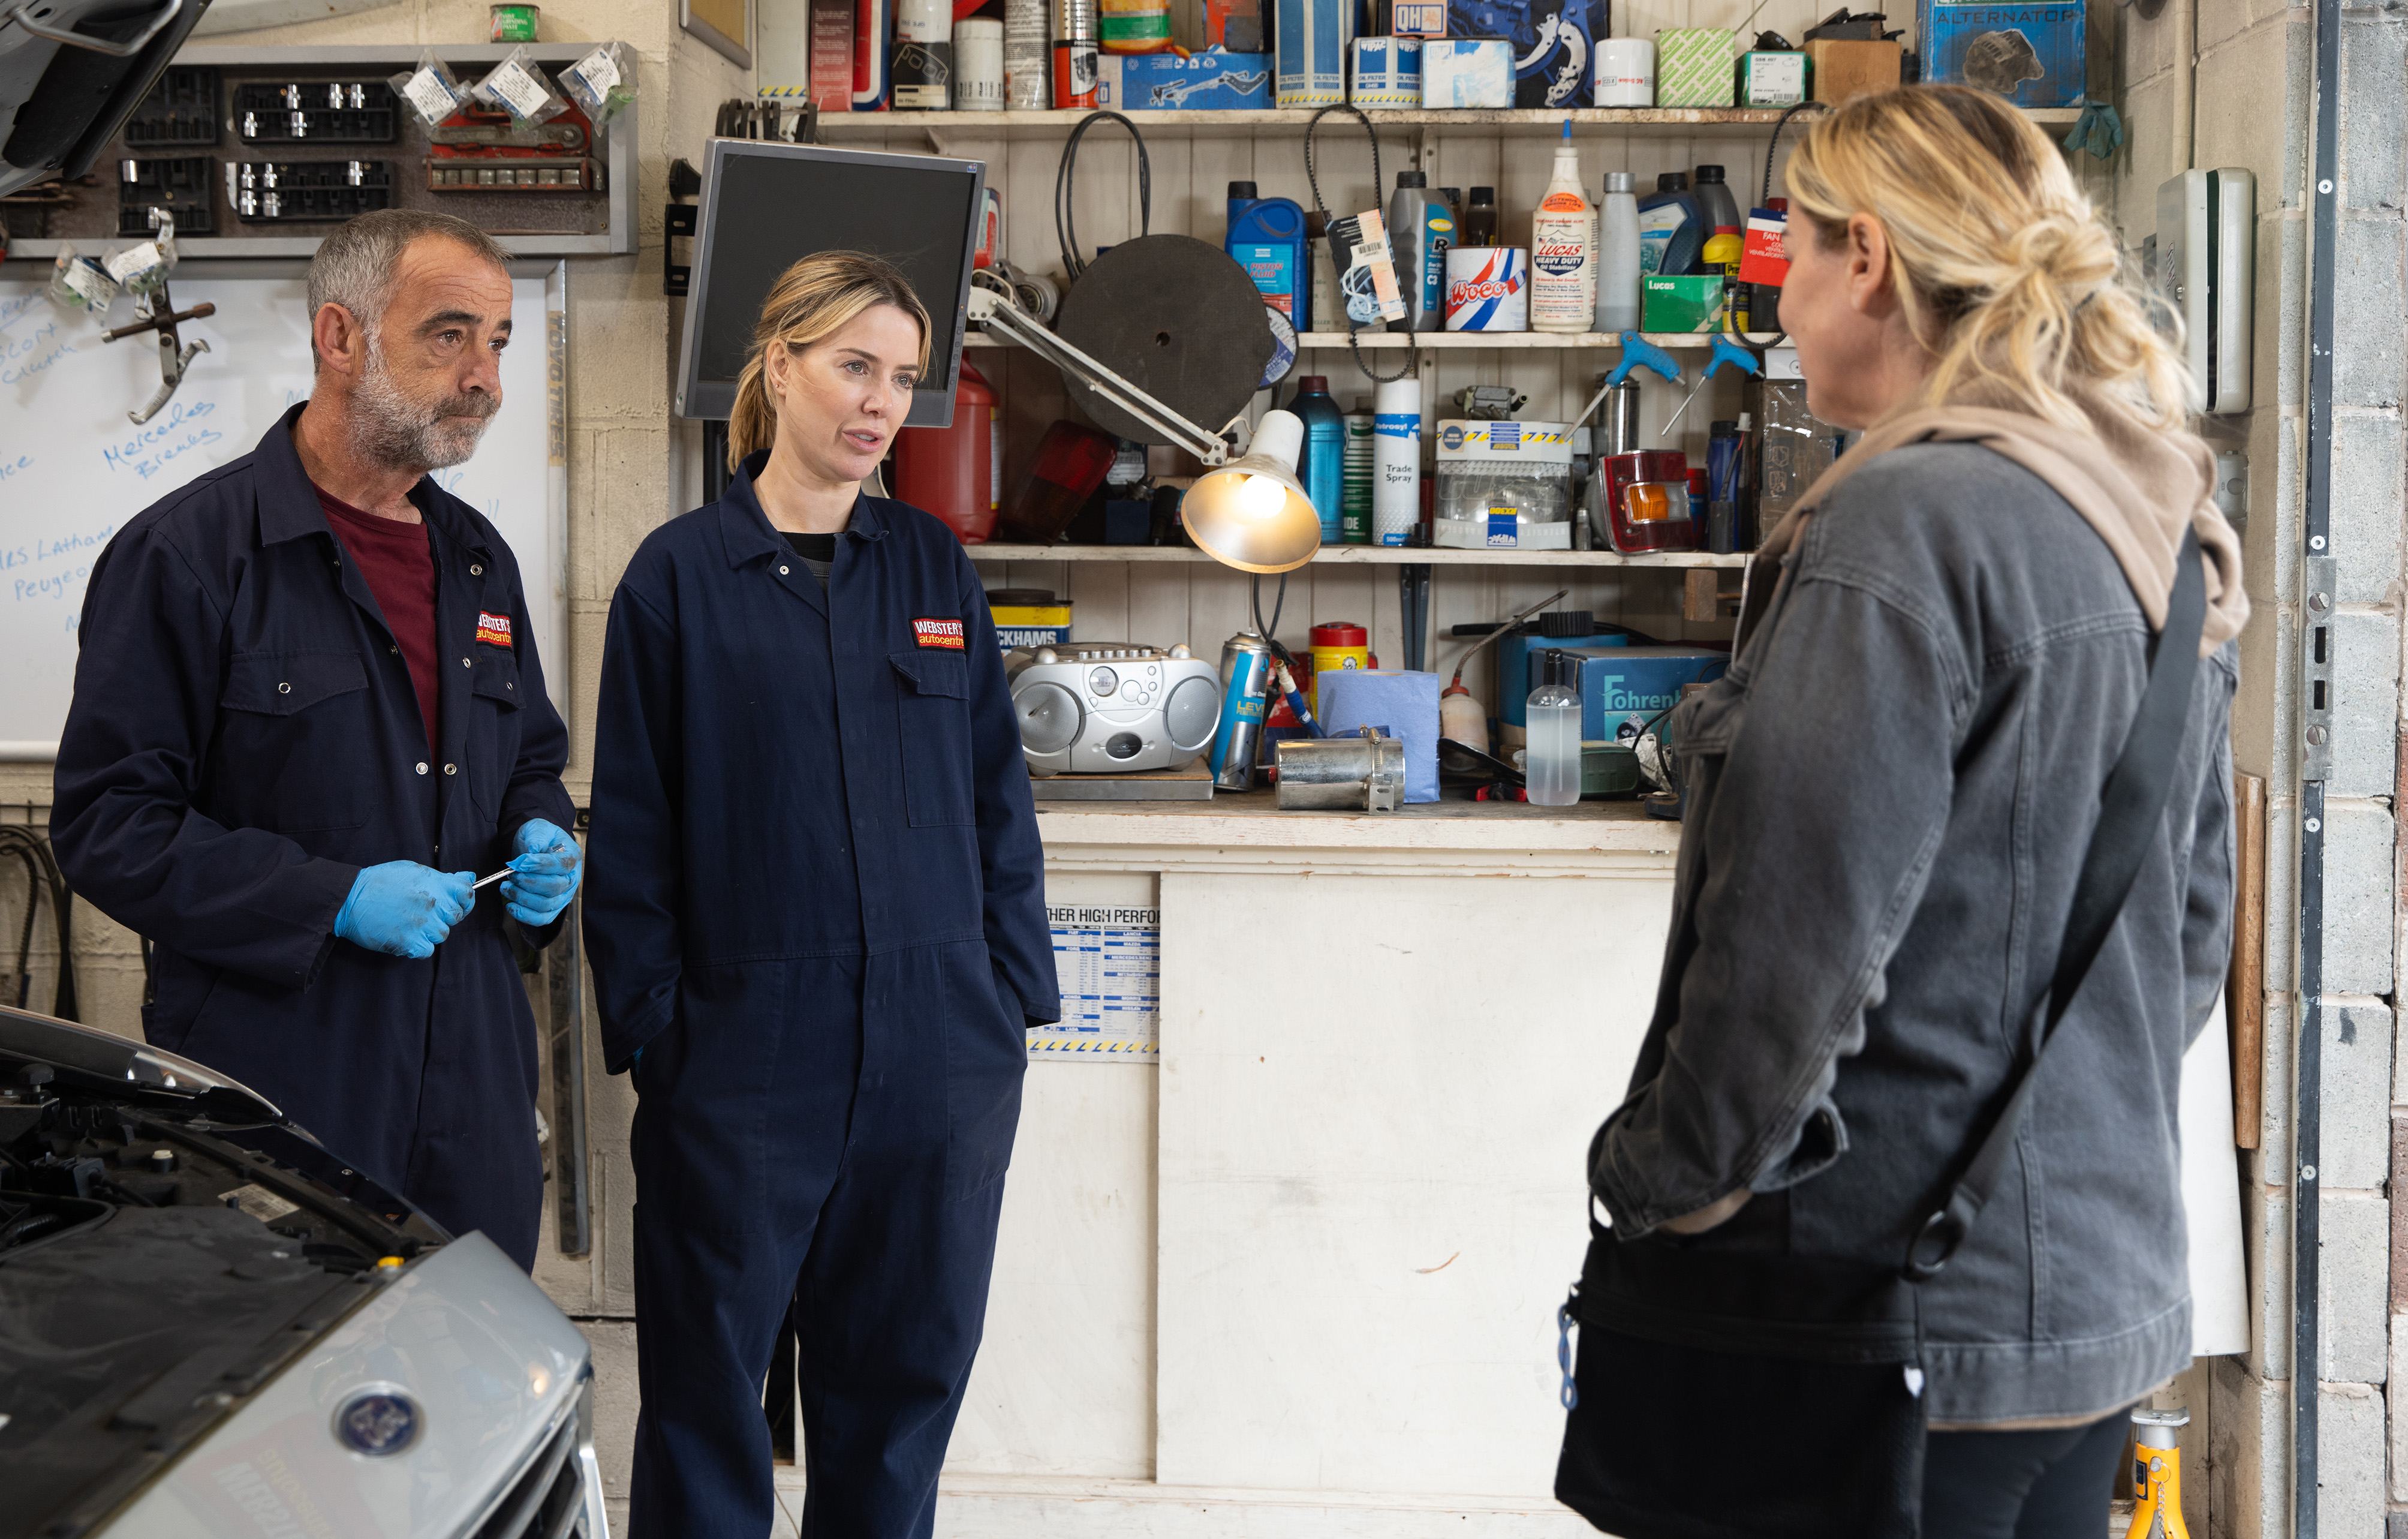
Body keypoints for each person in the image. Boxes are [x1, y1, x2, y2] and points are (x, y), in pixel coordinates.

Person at [1578, 88, 2248, 1535]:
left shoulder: (1903, 525)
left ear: (1869, 258)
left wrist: (1656, 1179)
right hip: (2093, 1313)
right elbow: (2191, 934)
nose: (1785, 299)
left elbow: (1788, 947)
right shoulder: (2159, 523)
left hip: (1876, 1328)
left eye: (1794, 258)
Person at [583, 251, 1056, 1537]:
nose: (880, 402)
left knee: (901, 1388)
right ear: (778, 362)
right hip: (739, 1053)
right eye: (854, 366)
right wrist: (662, 1035)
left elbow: (994, 802)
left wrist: (1007, 1000)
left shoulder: (933, 572)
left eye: (902, 377)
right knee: (706, 1394)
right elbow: (630, 834)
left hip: (939, 1050)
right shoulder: (677, 579)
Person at [51, 209, 581, 1272]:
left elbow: (525, 755)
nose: (486, 377)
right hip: (283, 1083)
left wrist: (543, 829)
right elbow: (108, 824)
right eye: (449, 335)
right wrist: (327, 898)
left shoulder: (478, 560)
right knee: (284, 1408)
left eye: (499, 343)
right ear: (340, 338)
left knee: (471, 1382)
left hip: (472, 1075)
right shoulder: (188, 557)